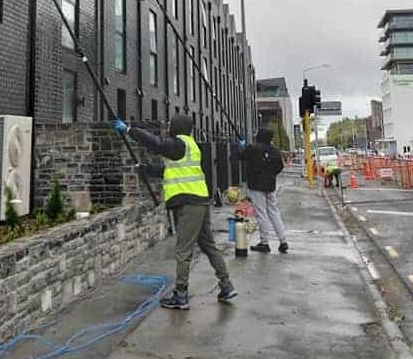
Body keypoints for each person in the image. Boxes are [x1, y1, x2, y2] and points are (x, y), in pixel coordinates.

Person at [111, 114, 237, 310]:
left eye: (171, 125)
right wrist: (147, 169)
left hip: (188, 204)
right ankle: (226, 286)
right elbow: (170, 170)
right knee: (209, 246)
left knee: (183, 250)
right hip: (200, 201)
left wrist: (129, 130)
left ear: (177, 127)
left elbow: (156, 144)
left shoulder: (178, 144)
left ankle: (181, 295)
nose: (168, 127)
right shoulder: (190, 146)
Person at [241, 127, 288, 254]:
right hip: (270, 185)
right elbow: (280, 167)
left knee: (261, 214)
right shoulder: (275, 151)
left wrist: (242, 146)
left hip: (256, 186)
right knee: (274, 212)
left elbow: (241, 157)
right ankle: (283, 241)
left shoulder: (252, 148)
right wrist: (270, 174)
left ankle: (264, 242)